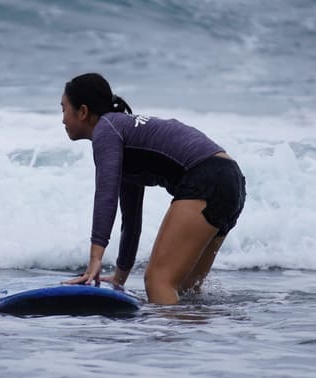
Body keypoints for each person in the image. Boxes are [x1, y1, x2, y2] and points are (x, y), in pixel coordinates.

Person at [61, 73, 246, 305]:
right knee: (185, 288)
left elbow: (105, 197)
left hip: (207, 177)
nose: (63, 119)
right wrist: (120, 277)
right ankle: (195, 329)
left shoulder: (106, 129)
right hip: (230, 181)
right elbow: (131, 220)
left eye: (64, 109)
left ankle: (165, 330)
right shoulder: (123, 135)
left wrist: (94, 259)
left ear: (83, 111)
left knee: (158, 281)